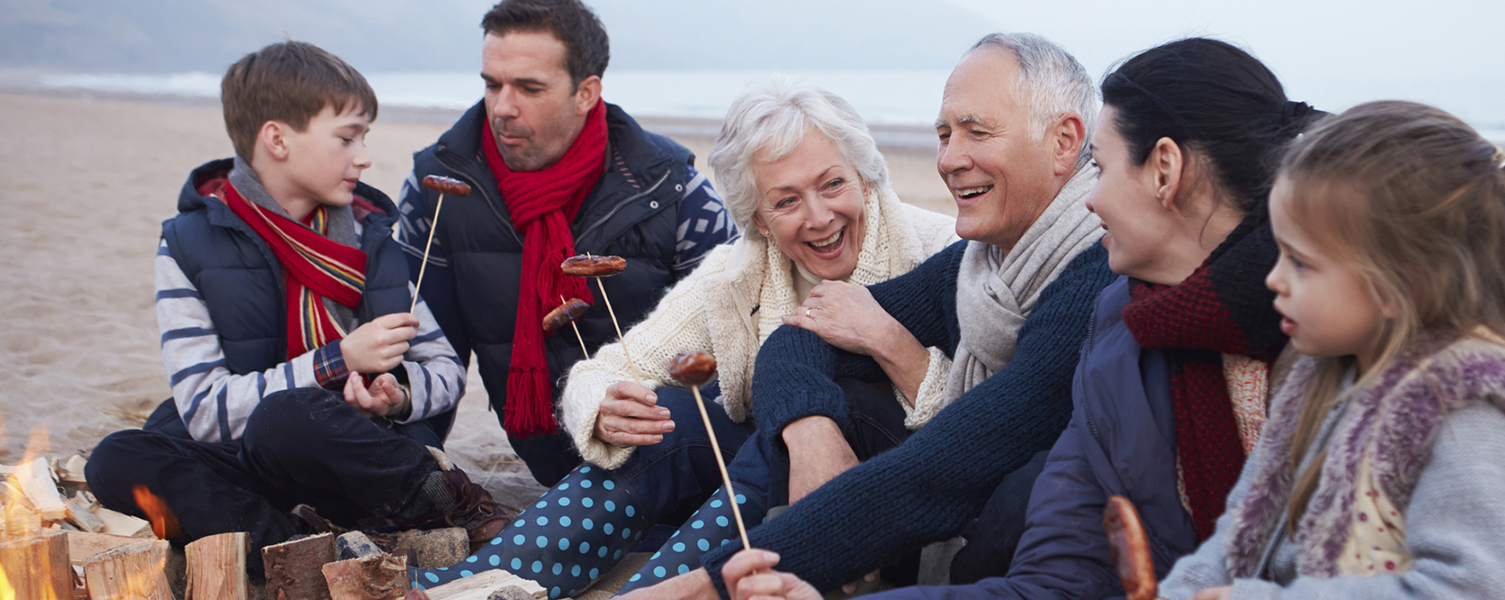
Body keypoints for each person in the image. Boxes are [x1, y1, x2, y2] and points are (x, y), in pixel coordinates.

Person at [719, 38, 1505, 600]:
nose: (1089, 204)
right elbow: (1148, 568)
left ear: (1162, 170)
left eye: (1104, 169)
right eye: (944, 132)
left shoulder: (1429, 369)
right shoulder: (1123, 325)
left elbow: (1466, 580)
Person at [616, 32, 1116, 599]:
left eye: (977, 131)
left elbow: (951, 461)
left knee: (1013, 489)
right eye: (945, 135)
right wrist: (812, 434)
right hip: (943, 500)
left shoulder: (1101, 266)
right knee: (815, 412)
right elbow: (794, 340)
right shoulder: (979, 263)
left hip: (1049, 555)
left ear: (1064, 141)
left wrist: (710, 585)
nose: (950, 160)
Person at [412, 81, 959, 596]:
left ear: (865, 178)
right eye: (786, 200)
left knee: (779, 437)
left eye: (833, 184)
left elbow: (993, 417)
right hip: (765, 489)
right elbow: (598, 371)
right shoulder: (734, 275)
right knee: (663, 416)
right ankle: (476, 586)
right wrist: (601, 407)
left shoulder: (939, 250)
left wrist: (886, 339)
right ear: (760, 220)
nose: (819, 217)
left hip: (903, 499)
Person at [1155, 100, 1505, 599]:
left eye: (1301, 262)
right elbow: (1243, 529)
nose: (1274, 279)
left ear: (1402, 284)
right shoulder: (1325, 375)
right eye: (1279, 254)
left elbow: (1477, 588)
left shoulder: (1464, 411)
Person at [84, 41, 498, 578]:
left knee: (287, 419)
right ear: (277, 139)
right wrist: (338, 359)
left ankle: (447, 505)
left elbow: (444, 371)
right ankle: (303, 552)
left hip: (359, 461)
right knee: (118, 457)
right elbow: (206, 411)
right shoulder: (186, 247)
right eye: (348, 138)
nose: (364, 157)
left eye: (365, 138)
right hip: (247, 461)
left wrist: (396, 399)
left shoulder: (376, 242)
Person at [398, 0, 737, 487]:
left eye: (529, 88)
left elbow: (734, 336)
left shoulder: (673, 189)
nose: (502, 107)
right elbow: (427, 350)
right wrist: (416, 479)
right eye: (492, 84)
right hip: (543, 459)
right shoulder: (437, 186)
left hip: (659, 447)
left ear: (586, 93)